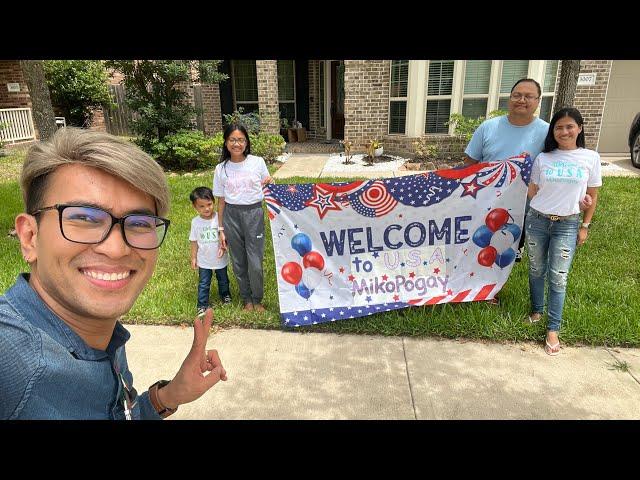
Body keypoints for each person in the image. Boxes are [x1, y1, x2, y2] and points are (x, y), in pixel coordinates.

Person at [0, 128, 227, 420]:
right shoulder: (11, 360)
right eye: (83, 217)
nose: (117, 248)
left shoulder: (98, 332)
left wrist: (168, 396)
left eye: (140, 222)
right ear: (30, 237)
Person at [525, 107, 601, 356]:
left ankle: (553, 328)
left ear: (579, 128)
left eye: (570, 126)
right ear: (553, 131)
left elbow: (592, 195)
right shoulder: (543, 158)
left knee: (558, 276)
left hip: (567, 224)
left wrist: (585, 224)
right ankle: (537, 310)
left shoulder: (590, 158)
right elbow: (533, 190)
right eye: (559, 127)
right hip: (537, 220)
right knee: (536, 268)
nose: (564, 131)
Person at [464, 78, 550, 263]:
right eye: (517, 95)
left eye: (529, 96)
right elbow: (469, 164)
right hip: (485, 205)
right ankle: (485, 291)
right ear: (509, 98)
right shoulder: (488, 128)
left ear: (538, 101)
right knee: (476, 253)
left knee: (506, 258)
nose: (522, 100)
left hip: (522, 210)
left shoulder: (547, 132)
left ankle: (498, 288)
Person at [213, 124, 273, 312]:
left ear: (246, 143)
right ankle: (247, 298)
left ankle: (257, 299)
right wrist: (221, 229)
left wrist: (271, 181)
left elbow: (268, 186)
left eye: (240, 140)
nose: (236, 143)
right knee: (238, 261)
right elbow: (221, 202)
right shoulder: (221, 169)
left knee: (255, 261)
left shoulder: (257, 162)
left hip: (254, 214)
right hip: (232, 216)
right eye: (232, 139)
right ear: (226, 142)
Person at [189, 186, 231, 315]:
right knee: (203, 283)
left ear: (213, 202)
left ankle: (225, 296)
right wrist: (194, 257)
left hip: (220, 258)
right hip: (204, 260)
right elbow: (194, 241)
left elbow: (226, 237)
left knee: (223, 280)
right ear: (195, 207)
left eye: (209, 204)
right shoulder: (195, 222)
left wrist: (225, 247)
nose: (206, 209)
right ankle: (202, 304)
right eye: (201, 206)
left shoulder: (219, 218)